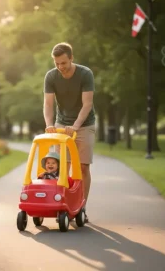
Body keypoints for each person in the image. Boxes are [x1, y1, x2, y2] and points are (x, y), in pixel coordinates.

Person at [43, 42, 96, 223]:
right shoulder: (51, 77)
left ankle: (81, 207)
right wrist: (49, 124)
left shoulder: (85, 74)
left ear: (71, 58)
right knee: (62, 167)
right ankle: (63, 205)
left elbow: (87, 104)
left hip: (84, 124)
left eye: (63, 63)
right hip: (61, 124)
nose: (60, 67)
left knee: (82, 167)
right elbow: (48, 104)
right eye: (57, 63)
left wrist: (75, 125)